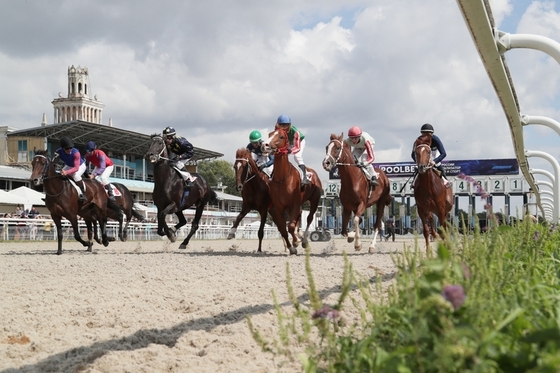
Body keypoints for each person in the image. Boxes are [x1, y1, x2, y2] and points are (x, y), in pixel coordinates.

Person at [411, 123, 451, 188]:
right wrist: (418, 162)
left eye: (428, 134)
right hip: (422, 155)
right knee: (417, 168)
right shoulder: (418, 141)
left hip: (434, 153)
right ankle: (414, 182)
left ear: (431, 134)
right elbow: (413, 154)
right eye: (424, 134)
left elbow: (443, 153)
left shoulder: (436, 139)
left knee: (438, 165)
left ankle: (445, 180)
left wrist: (435, 161)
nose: (426, 136)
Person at [275, 114, 309, 185]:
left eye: (285, 125)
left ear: (289, 125)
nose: (283, 127)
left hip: (298, 142)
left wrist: (289, 151)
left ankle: (304, 177)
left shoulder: (295, 132)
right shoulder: (277, 131)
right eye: (281, 125)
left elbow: (297, 147)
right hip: (289, 143)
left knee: (297, 156)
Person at [55, 136, 87, 201]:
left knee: (76, 175)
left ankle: (83, 194)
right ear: (63, 148)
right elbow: (54, 161)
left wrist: (66, 172)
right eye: (67, 148)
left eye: (70, 148)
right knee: (59, 176)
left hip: (80, 166)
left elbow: (76, 168)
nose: (69, 150)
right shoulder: (58, 152)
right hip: (69, 165)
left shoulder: (76, 153)